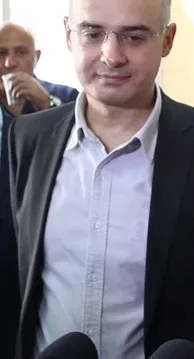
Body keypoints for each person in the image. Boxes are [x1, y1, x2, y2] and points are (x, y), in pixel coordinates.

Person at [9, 0, 194, 359]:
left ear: (167, 40)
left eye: (133, 36)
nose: (111, 55)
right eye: (92, 33)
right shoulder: (28, 138)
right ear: (68, 34)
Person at [0, 23, 78, 359]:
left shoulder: (65, 98)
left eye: (20, 52)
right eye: (1, 53)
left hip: (47, 236)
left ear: (37, 57)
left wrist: (46, 103)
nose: (10, 62)